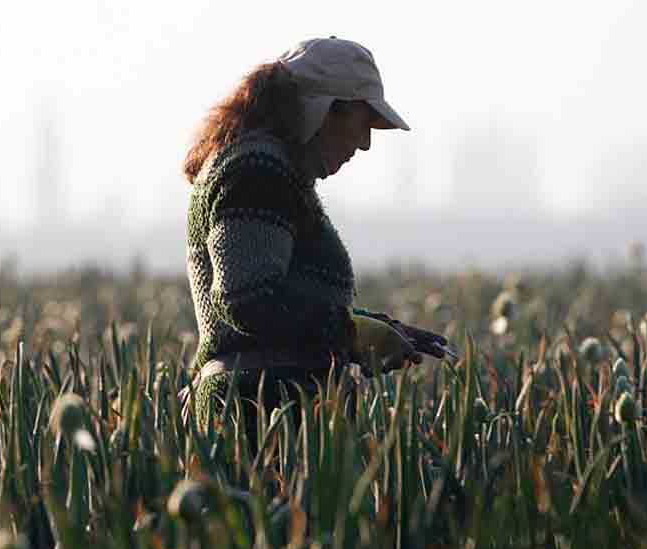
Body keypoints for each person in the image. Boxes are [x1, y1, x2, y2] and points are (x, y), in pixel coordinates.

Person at [182, 37, 448, 438]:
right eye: (363, 122)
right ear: (325, 111)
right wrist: (349, 332)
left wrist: (379, 328)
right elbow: (247, 298)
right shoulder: (256, 170)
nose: (365, 143)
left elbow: (285, 296)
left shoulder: (270, 168)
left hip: (275, 406)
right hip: (264, 413)